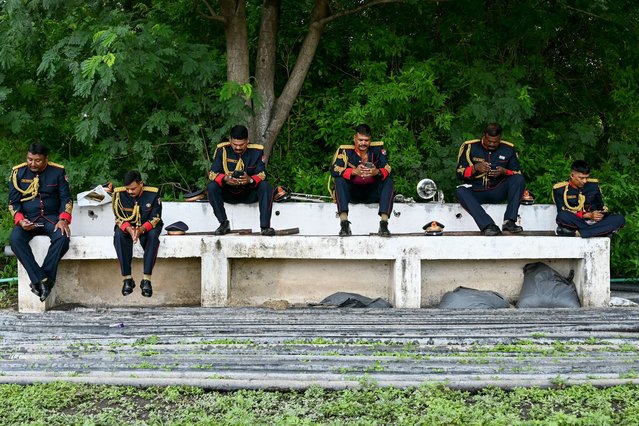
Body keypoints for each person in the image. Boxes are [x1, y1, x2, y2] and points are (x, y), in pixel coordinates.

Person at [9, 142, 72, 302]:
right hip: (28, 219)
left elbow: (66, 198)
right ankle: (43, 280)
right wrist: (20, 220)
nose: (32, 163)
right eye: (30, 159)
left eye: (37, 160)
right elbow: (13, 203)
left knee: (62, 238)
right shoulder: (18, 173)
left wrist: (63, 219)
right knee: (15, 240)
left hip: (51, 219)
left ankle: (42, 280)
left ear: (46, 159)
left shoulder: (57, 172)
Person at [455, 123, 526, 236]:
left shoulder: (509, 149)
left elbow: (517, 173)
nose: (492, 144)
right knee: (460, 191)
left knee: (519, 179)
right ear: (484, 136)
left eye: (495, 142)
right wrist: (475, 168)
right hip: (476, 191)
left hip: (498, 190)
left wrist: (504, 172)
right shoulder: (470, 147)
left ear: (500, 138)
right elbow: (459, 173)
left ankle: (509, 221)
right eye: (489, 141)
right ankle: (488, 225)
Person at [207, 125, 275, 235]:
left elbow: (262, 174)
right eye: (235, 144)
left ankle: (265, 227)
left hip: (248, 192)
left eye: (242, 144)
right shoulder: (222, 150)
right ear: (230, 140)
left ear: (247, 141)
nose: (238, 147)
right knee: (212, 187)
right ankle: (223, 223)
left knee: (266, 186)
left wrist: (250, 180)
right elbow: (212, 174)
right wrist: (225, 178)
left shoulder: (256, 151)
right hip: (229, 192)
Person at [330, 124, 395, 236]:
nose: (363, 143)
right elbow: (334, 170)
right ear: (354, 138)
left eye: (366, 140)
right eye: (360, 140)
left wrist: (376, 172)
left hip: (372, 192)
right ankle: (344, 224)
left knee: (388, 181)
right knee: (339, 181)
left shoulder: (378, 150)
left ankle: (384, 224)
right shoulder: (345, 151)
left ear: (370, 140)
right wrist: (354, 171)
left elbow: (387, 168)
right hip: (352, 192)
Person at [112, 170, 163, 297]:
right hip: (128, 226)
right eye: (127, 189)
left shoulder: (153, 194)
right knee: (119, 235)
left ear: (141, 184)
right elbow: (118, 218)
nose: (129, 192)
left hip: (148, 225)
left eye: (133, 188)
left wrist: (141, 230)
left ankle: (146, 280)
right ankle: (127, 279)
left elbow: (155, 218)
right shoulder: (119, 194)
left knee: (152, 237)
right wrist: (129, 229)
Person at [553, 160, 625, 237]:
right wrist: (587, 215)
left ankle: (580, 233)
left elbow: (601, 206)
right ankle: (599, 231)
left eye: (587, 178)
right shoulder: (560, 189)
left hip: (595, 222)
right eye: (581, 178)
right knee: (562, 216)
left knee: (619, 218)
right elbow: (562, 211)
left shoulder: (593, 185)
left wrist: (599, 214)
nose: (584, 181)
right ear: (572, 175)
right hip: (577, 221)